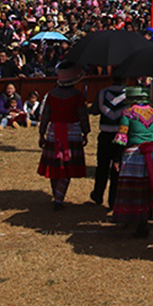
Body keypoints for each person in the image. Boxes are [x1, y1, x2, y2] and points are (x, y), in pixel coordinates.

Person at [112, 84, 153, 236]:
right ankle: (143, 220)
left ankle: (128, 219)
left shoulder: (128, 113)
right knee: (144, 189)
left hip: (132, 155)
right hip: (149, 156)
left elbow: (121, 137)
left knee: (130, 189)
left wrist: (116, 158)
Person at [36, 61, 90, 209]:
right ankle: (59, 198)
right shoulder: (77, 96)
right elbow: (83, 115)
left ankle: (56, 194)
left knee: (55, 165)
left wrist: (42, 133)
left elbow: (46, 115)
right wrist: (86, 132)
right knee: (67, 166)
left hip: (54, 132)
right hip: (72, 132)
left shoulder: (52, 95)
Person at [89, 74, 126, 208]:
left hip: (105, 134)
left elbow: (94, 110)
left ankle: (98, 194)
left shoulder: (102, 92)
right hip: (121, 135)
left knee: (102, 167)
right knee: (117, 168)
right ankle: (113, 199)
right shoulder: (128, 95)